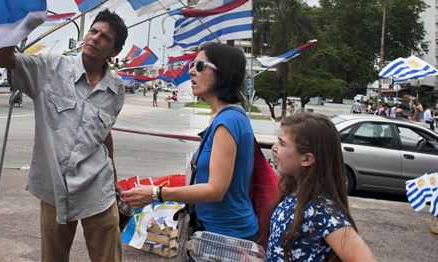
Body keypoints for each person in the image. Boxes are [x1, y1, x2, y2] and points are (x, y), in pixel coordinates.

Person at [0, 9, 128, 262]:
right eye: (93, 31)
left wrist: (115, 179)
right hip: (55, 186)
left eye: (105, 37)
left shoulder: (116, 88)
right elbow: (3, 59)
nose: (95, 38)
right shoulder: (50, 67)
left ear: (114, 52)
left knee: (108, 257)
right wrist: (19, 28)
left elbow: (104, 133)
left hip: (98, 188)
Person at [121, 42, 259, 242]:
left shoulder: (228, 121)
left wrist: (156, 193)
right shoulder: (225, 117)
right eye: (191, 66)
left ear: (223, 74)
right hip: (217, 230)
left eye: (200, 66)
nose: (192, 72)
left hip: (226, 236)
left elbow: (216, 189)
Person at [267, 112, 376, 262]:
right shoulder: (292, 194)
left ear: (307, 159)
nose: (274, 147)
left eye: (282, 143)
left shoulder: (321, 212)